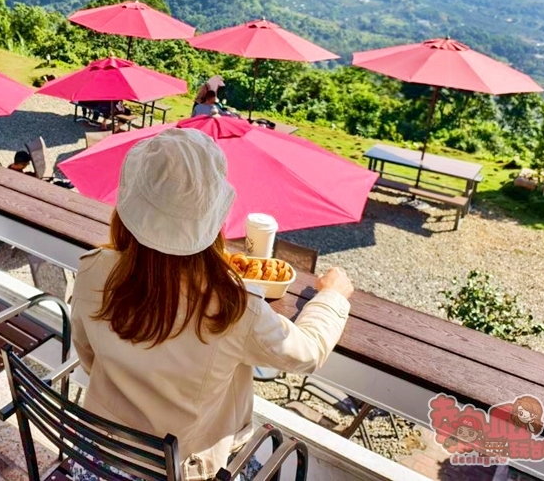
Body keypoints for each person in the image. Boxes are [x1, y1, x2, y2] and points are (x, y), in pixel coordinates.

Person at [72, 129, 353, 480]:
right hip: (179, 470)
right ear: (213, 219)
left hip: (100, 457)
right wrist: (332, 297)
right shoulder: (234, 308)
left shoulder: (93, 270)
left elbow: (88, 358)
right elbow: (306, 353)